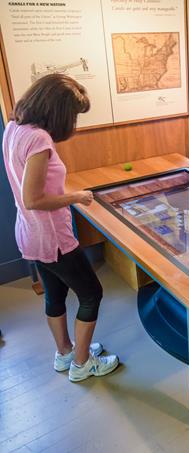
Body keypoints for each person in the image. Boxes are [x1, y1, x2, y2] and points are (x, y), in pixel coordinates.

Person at [2, 74, 119, 382]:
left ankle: (65, 352)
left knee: (54, 293)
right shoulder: (39, 139)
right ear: (57, 110)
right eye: (73, 116)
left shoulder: (13, 127)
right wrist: (77, 197)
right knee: (92, 293)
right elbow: (34, 198)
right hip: (52, 236)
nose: (73, 124)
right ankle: (82, 364)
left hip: (29, 234)